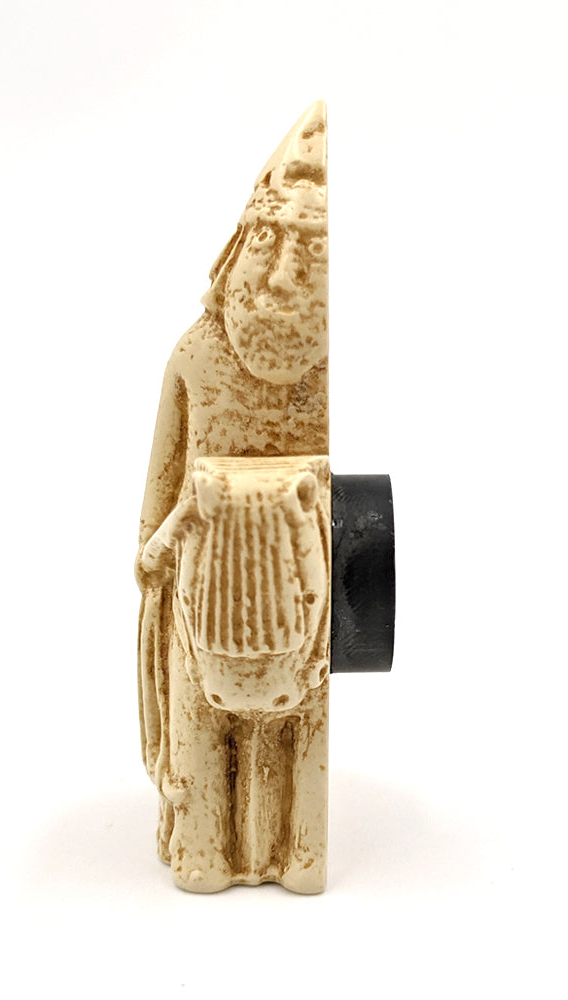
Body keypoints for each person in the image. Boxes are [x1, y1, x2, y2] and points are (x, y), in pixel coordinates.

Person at [134, 102, 329, 885]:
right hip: (196, 613)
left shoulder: (328, 375)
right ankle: (205, 849)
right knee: (201, 783)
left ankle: (298, 851)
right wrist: (156, 554)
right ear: (237, 247)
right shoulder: (196, 358)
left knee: (304, 749)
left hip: (307, 623)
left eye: (310, 252)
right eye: (268, 241)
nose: (281, 275)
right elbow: (159, 492)